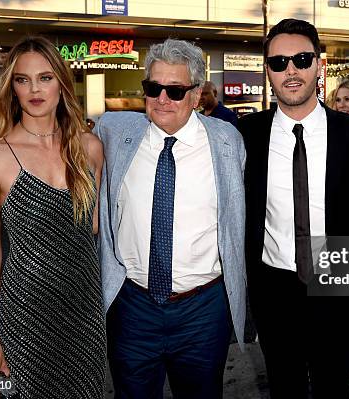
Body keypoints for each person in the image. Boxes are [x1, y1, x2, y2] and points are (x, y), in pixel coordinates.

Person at [96, 39, 245, 398]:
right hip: (132, 306)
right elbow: (55, 140)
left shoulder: (227, 141)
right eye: (154, 88)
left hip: (203, 311)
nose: (162, 99)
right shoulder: (113, 132)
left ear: (196, 95)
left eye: (175, 91)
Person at [238, 18, 349, 398]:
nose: (291, 70)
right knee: (284, 388)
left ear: (319, 65)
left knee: (335, 388)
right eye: (279, 63)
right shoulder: (246, 135)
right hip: (275, 291)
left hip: (339, 288)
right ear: (268, 72)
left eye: (301, 59)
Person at [0, 36, 105, 398]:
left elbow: (91, 230)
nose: (34, 89)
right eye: (22, 79)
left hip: (84, 314)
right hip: (25, 316)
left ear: (62, 82)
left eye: (45, 78)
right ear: (12, 87)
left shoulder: (89, 148)